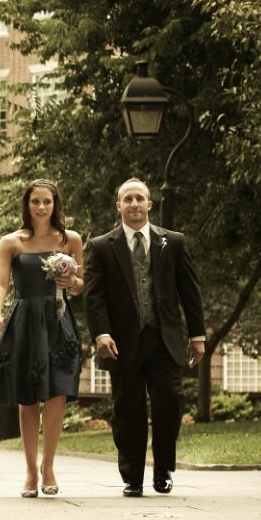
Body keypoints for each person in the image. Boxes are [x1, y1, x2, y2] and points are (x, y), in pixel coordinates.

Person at [83, 178, 205, 497]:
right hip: (122, 343)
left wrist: (197, 335)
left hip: (164, 339)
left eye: (140, 198)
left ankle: (163, 469)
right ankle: (133, 476)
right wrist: (101, 333)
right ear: (119, 206)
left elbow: (189, 292)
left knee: (169, 402)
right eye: (128, 199)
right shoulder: (100, 246)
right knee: (128, 409)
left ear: (149, 204)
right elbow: (93, 297)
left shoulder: (173, 242)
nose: (134, 204)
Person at [0, 179, 84, 498]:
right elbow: (0, 283)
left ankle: (49, 466)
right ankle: (30, 472)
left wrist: (71, 281)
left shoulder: (70, 240)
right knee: (27, 397)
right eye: (35, 202)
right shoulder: (10, 242)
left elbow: (82, 284)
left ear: (55, 204)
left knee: (57, 393)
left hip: (58, 321)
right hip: (25, 322)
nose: (41, 207)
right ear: (26, 205)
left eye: (47, 201)